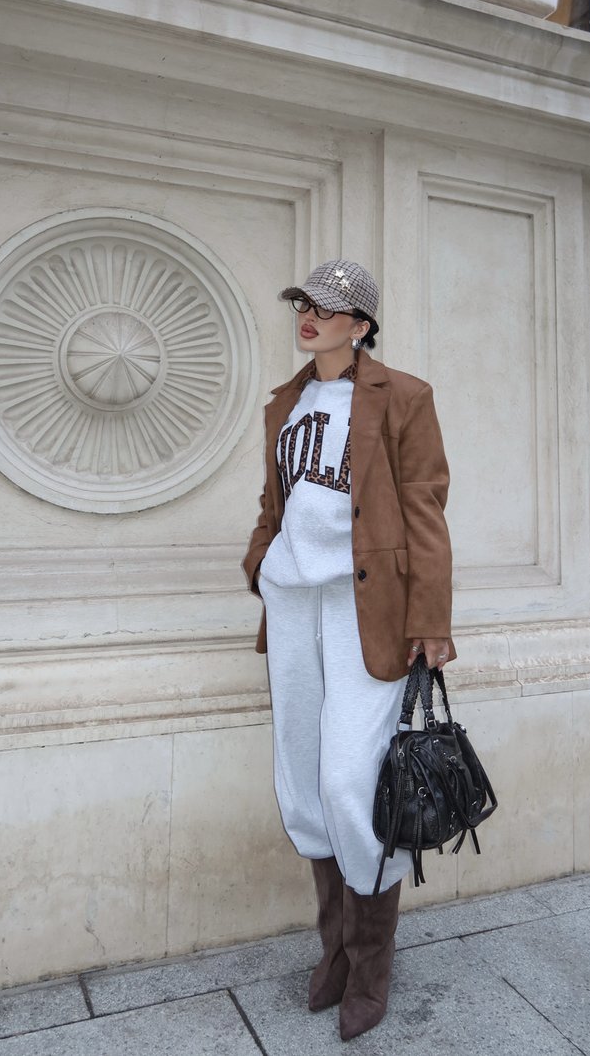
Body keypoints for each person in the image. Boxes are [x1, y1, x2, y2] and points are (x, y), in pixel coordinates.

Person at [243, 259, 454, 1041]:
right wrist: (260, 561)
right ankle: (334, 949)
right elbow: (275, 501)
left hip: (366, 610)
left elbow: (426, 507)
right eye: (304, 303)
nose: (309, 315)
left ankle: (371, 964)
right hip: (294, 605)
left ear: (361, 325)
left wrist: (431, 619)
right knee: (302, 784)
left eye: (328, 307)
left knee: (347, 784)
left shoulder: (403, 396)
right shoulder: (286, 402)